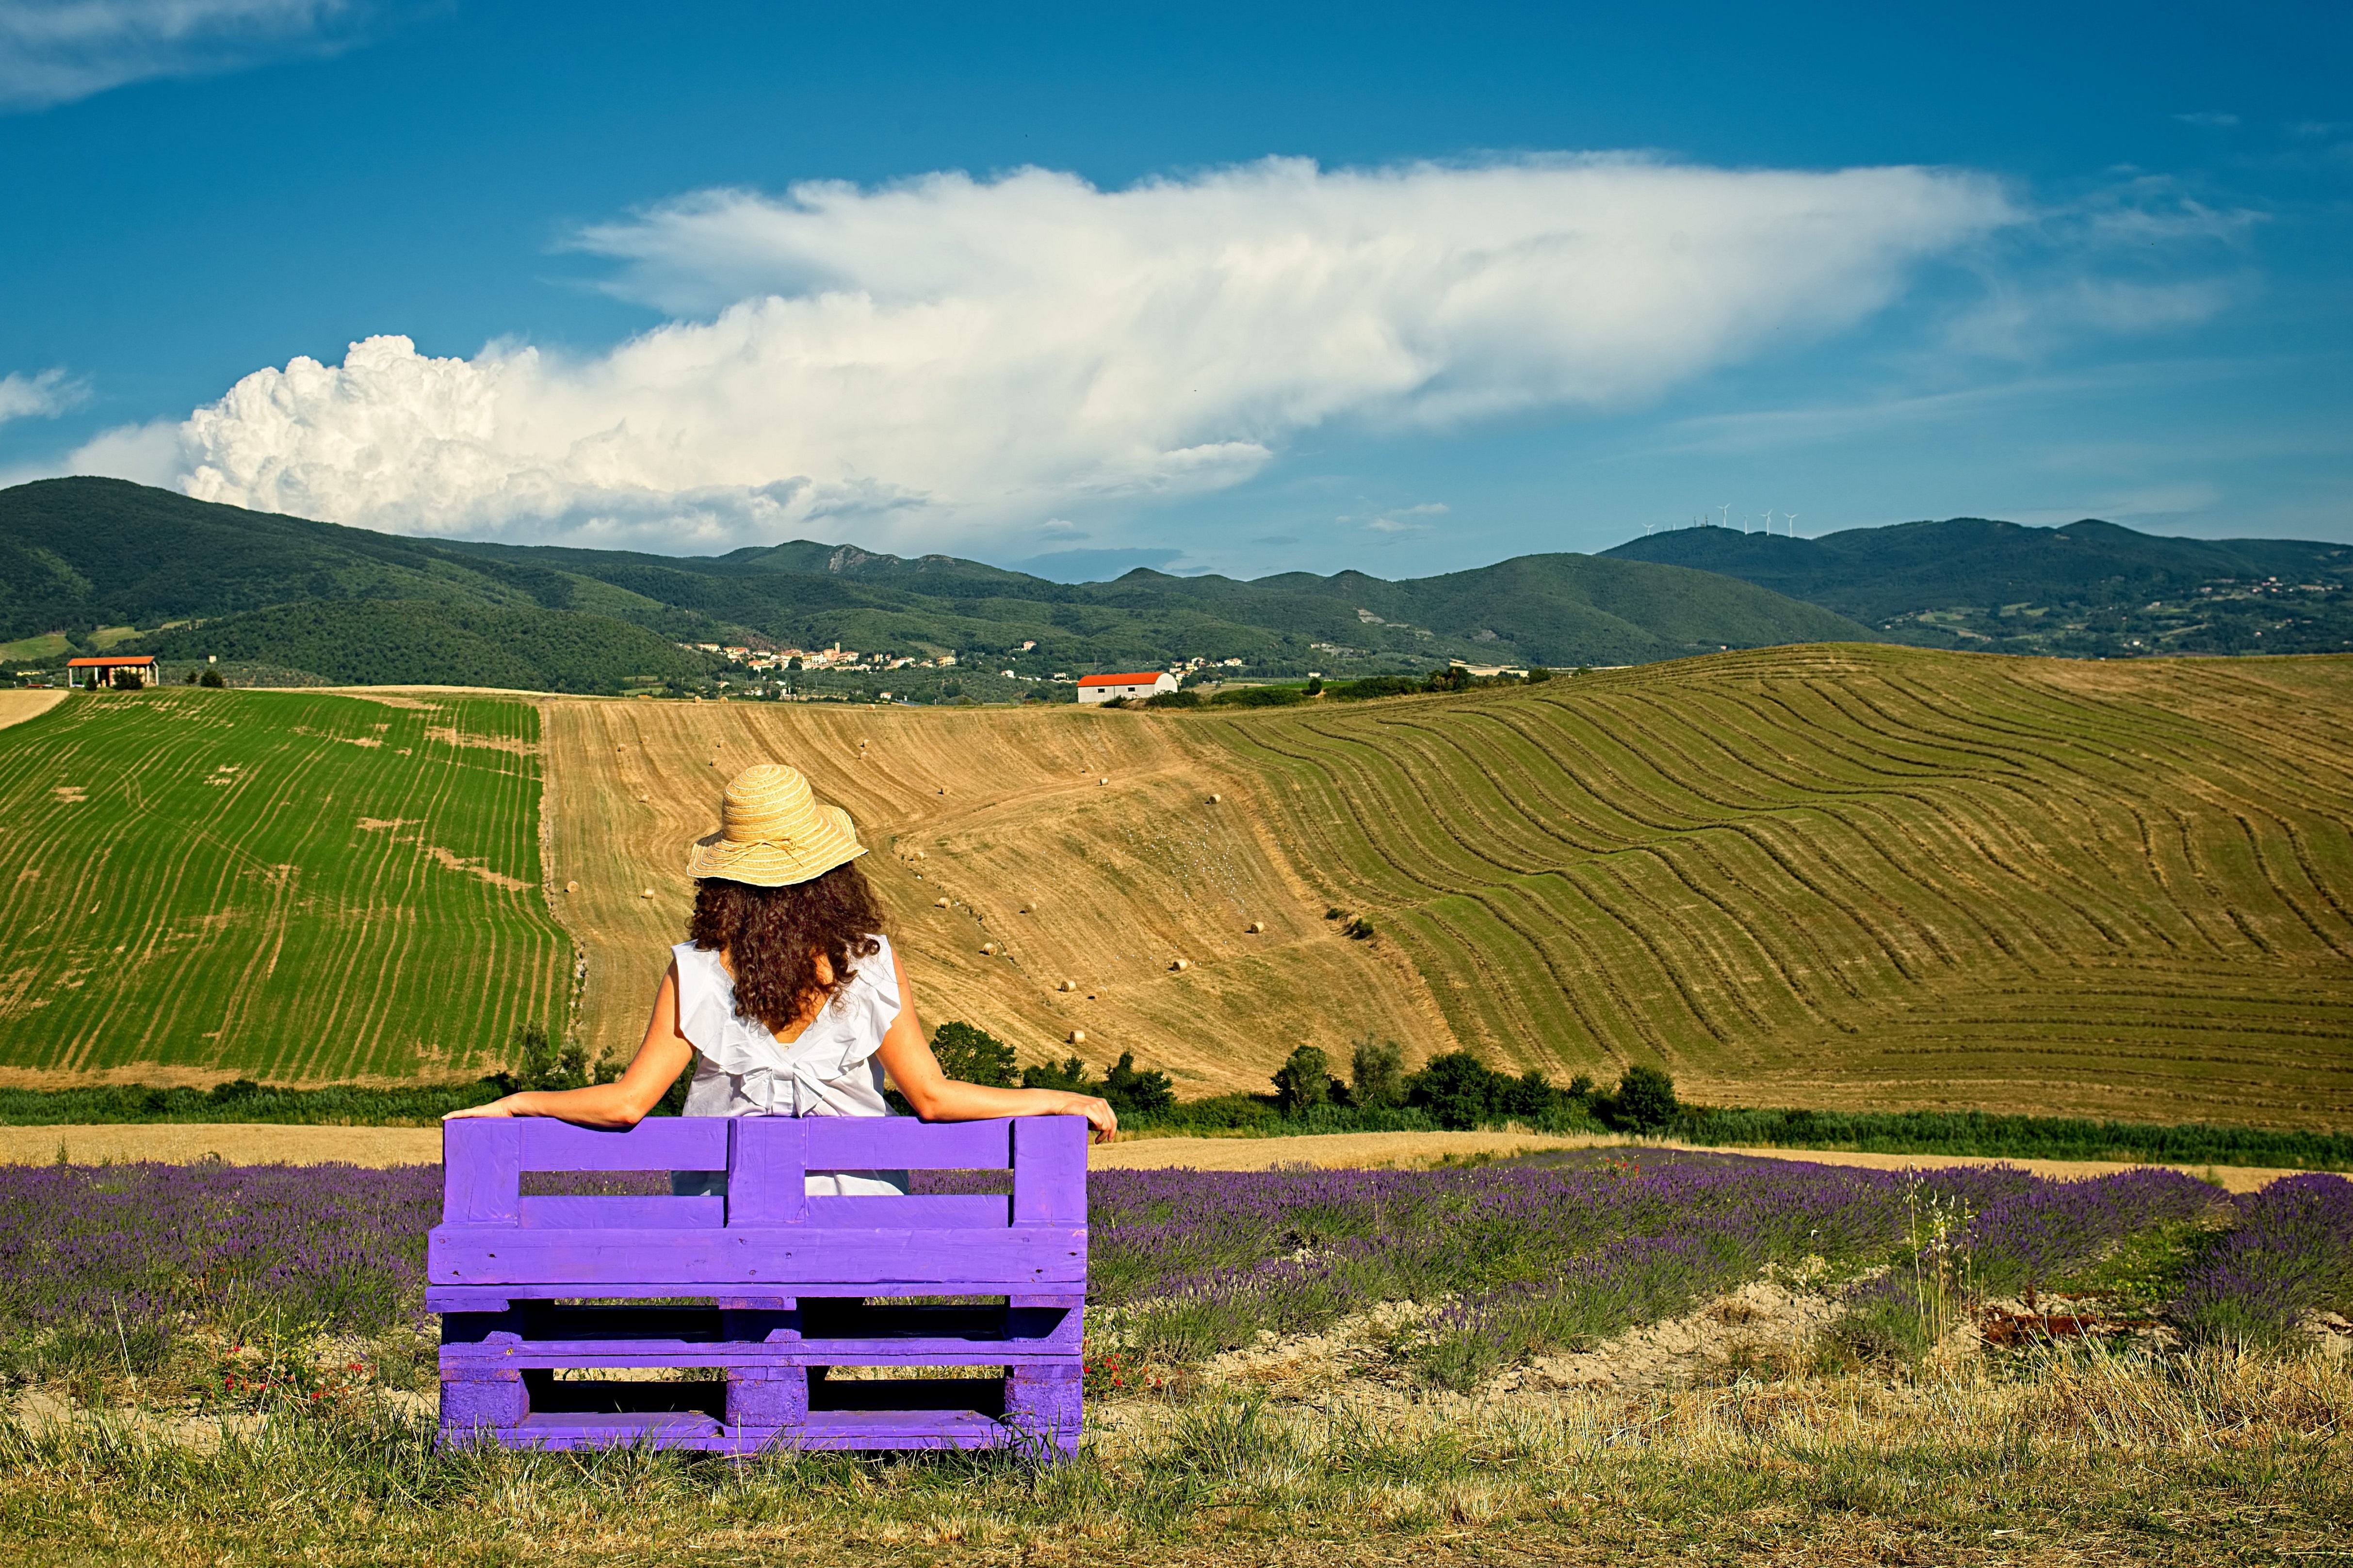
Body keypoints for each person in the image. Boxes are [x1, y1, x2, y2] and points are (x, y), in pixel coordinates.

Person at [446, 762, 1116, 1190]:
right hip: (857, 1233)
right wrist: (1054, 1098)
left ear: (726, 879)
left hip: (725, 1233)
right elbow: (933, 1097)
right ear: (830, 873)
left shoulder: (697, 970)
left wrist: (518, 1101)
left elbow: (627, 1104)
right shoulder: (869, 962)